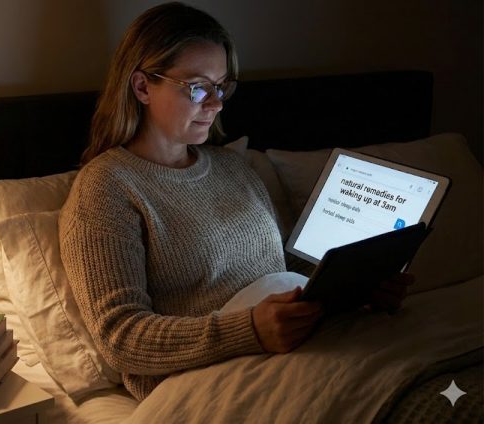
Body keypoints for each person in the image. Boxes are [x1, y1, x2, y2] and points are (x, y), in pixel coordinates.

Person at [58, 2, 412, 402]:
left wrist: (354, 289)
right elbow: (120, 337)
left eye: (221, 86)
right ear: (142, 87)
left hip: (284, 351)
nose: (216, 103)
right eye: (197, 87)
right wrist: (249, 331)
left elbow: (278, 265)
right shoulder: (106, 189)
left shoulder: (232, 168)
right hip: (196, 378)